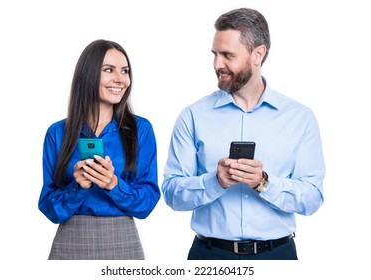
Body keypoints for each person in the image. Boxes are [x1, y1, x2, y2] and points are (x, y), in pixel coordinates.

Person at [161, 8, 325, 260]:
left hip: (277, 257)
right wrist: (215, 181)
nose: (217, 64)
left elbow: (312, 198)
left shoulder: (300, 118)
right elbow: (172, 193)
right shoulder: (193, 115)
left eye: (228, 55)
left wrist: (264, 183)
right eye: (215, 54)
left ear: (258, 54)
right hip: (209, 257)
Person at [38, 39, 160, 260]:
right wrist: (78, 187)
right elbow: (49, 207)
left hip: (122, 239)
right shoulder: (57, 133)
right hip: (70, 240)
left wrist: (113, 184)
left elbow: (148, 203)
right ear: (88, 75)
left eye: (125, 71)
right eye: (108, 70)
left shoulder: (140, 130)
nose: (120, 79)